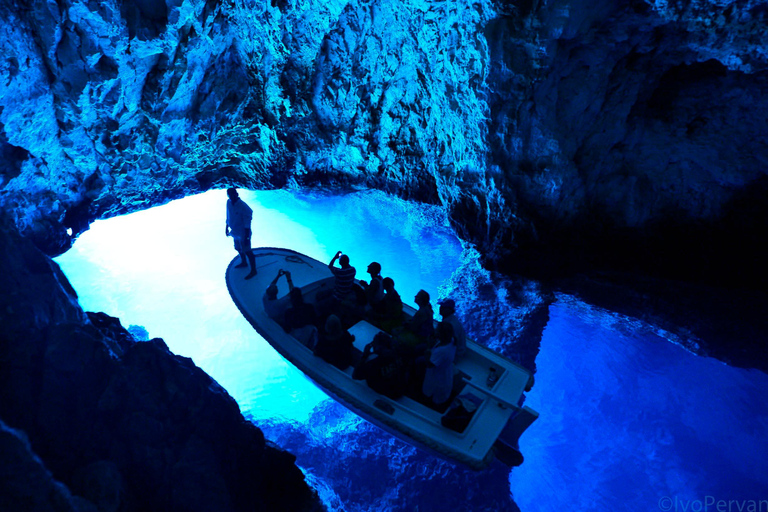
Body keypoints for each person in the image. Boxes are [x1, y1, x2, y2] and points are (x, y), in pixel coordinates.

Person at [352, 332, 408, 399]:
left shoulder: (373, 362)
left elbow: (355, 376)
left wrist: (364, 356)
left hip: (384, 395)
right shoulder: (400, 354)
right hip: (400, 390)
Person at [422, 322, 456, 406]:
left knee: (431, 392)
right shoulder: (452, 340)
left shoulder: (441, 351)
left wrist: (429, 347)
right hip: (445, 372)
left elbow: (429, 365)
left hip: (437, 376)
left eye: (437, 331)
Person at [225, 188, 256, 279]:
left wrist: (246, 237)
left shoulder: (244, 207)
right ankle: (244, 262)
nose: (231, 197)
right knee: (237, 248)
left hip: (243, 233)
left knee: (248, 251)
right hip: (234, 231)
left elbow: (247, 222)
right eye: (229, 195)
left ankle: (254, 270)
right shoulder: (228, 202)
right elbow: (228, 215)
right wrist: (226, 227)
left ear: (237, 194)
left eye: (233, 195)